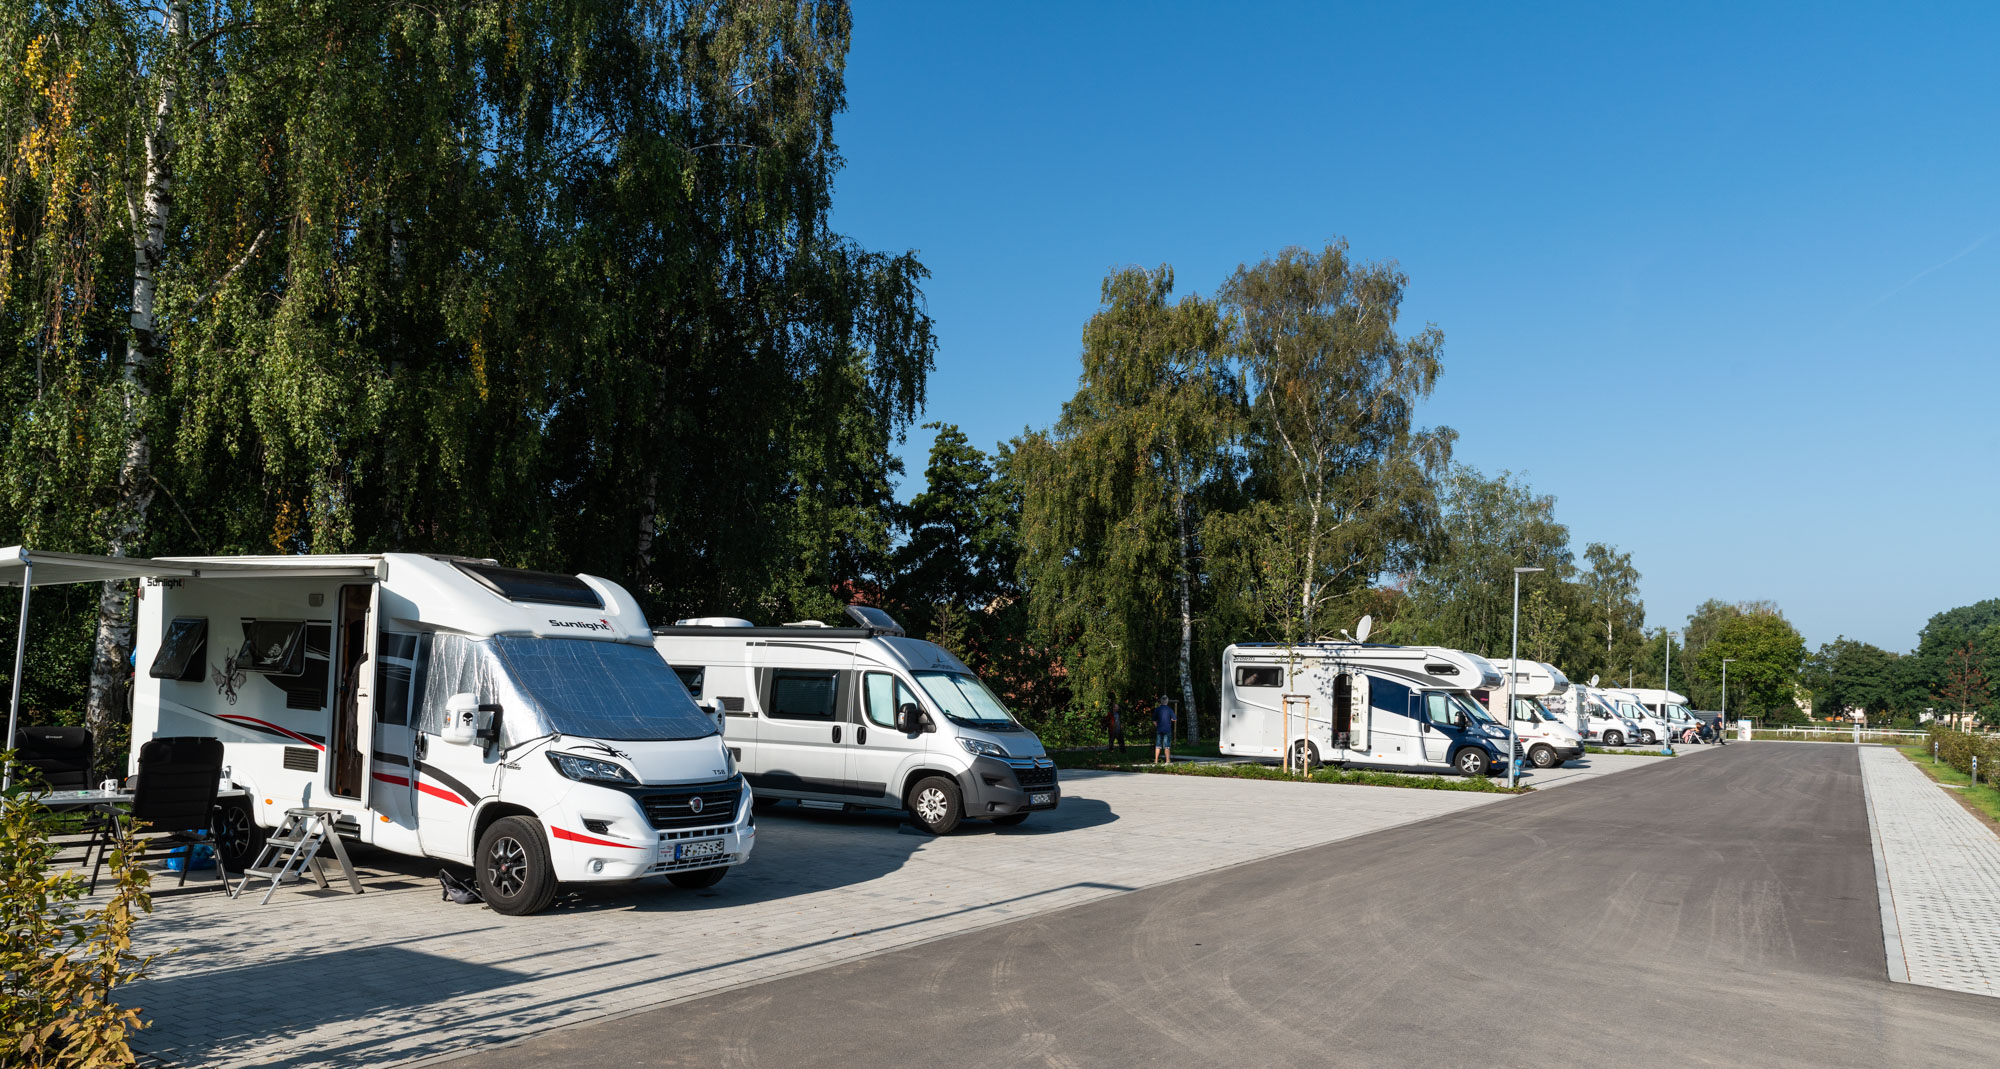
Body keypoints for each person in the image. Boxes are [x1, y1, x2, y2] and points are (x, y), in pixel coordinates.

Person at [1152, 695, 1176, 765]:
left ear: (1161, 701)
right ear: (1167, 702)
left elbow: (1153, 720)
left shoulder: (1157, 709)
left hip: (1159, 729)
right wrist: (1171, 719)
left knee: (1158, 745)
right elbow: (1174, 719)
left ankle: (1156, 760)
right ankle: (1167, 760)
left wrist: (1157, 725)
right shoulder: (1169, 709)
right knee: (1167, 745)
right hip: (1167, 729)